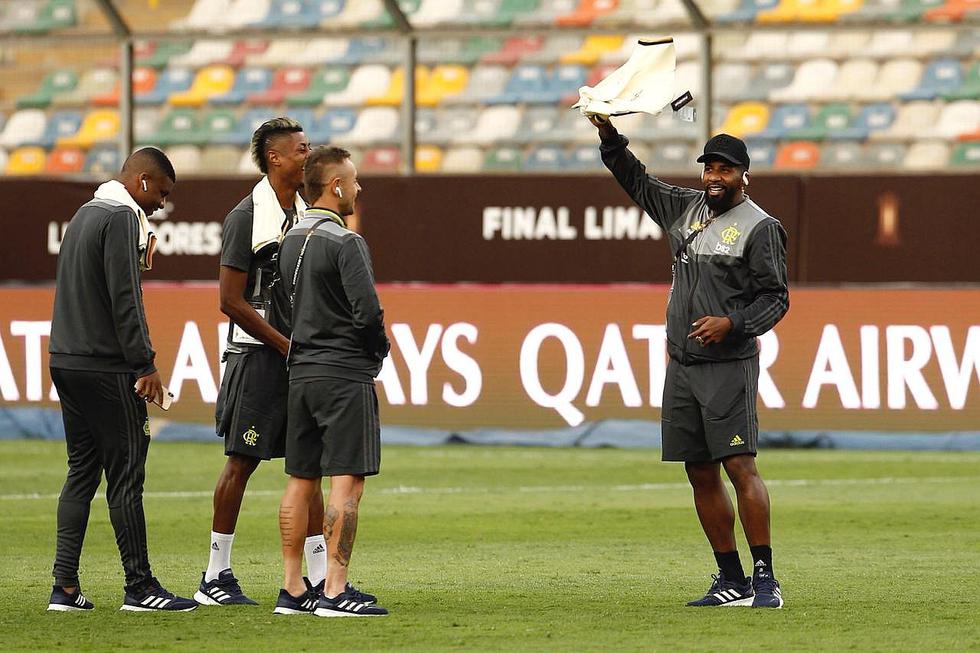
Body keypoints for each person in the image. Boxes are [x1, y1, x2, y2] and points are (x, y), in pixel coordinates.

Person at [590, 116, 790, 609]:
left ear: (745, 176)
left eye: (725, 170)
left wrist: (733, 324)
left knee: (740, 466)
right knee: (699, 472)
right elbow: (637, 181)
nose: (714, 177)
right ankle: (731, 579)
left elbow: (776, 298)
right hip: (681, 363)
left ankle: (766, 578)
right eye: (709, 168)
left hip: (728, 364)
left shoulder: (762, 228)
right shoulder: (685, 209)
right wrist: (610, 138)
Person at [47, 147, 197, 612]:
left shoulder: (85, 213)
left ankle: (65, 588)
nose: (161, 206)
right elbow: (124, 298)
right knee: (127, 476)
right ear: (144, 181)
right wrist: (145, 365)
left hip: (66, 359)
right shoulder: (123, 217)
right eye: (162, 194)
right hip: (105, 364)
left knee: (81, 473)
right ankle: (140, 587)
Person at [196, 117, 326, 606]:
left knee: (307, 463)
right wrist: (283, 344)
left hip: (294, 354)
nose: (307, 156)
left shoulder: (300, 210)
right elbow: (230, 300)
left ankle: (315, 578)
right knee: (242, 461)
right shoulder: (247, 215)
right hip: (257, 357)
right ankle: (215, 575)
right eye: (300, 149)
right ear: (275, 157)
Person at [273, 146, 389, 617]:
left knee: (301, 481)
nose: (359, 189)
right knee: (347, 483)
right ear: (336, 186)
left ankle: (293, 589)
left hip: (300, 373)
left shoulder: (289, 240)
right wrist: (377, 351)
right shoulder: (345, 242)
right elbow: (368, 312)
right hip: (343, 374)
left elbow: (281, 308)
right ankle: (336, 591)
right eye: (354, 181)